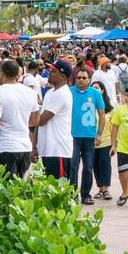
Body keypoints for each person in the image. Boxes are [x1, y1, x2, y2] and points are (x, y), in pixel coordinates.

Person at [0, 59, 40, 178]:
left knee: (6, 191)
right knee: (19, 189)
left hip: (5, 147)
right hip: (24, 147)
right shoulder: (29, 92)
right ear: (17, 74)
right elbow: (35, 121)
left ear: (1, 73)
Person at [67, 66, 106, 204]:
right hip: (73, 136)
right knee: (73, 166)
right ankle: (72, 194)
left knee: (88, 167)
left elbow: (102, 115)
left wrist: (99, 134)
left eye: (84, 78)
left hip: (89, 136)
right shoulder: (69, 92)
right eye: (79, 78)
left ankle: (86, 195)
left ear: (89, 79)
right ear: (75, 79)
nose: (81, 80)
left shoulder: (95, 94)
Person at [35, 60, 75, 182]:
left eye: (53, 71)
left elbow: (41, 120)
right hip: (49, 150)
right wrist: (34, 146)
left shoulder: (62, 94)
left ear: (62, 76)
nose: (49, 74)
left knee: (59, 192)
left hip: (58, 150)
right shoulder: (51, 92)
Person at [90, 81, 114, 201]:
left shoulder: (109, 109)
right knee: (95, 165)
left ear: (102, 90)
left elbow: (115, 127)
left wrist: (115, 143)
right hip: (91, 142)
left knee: (105, 164)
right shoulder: (88, 106)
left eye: (97, 88)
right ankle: (100, 188)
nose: (94, 90)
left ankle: (106, 189)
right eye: (92, 88)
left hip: (106, 141)